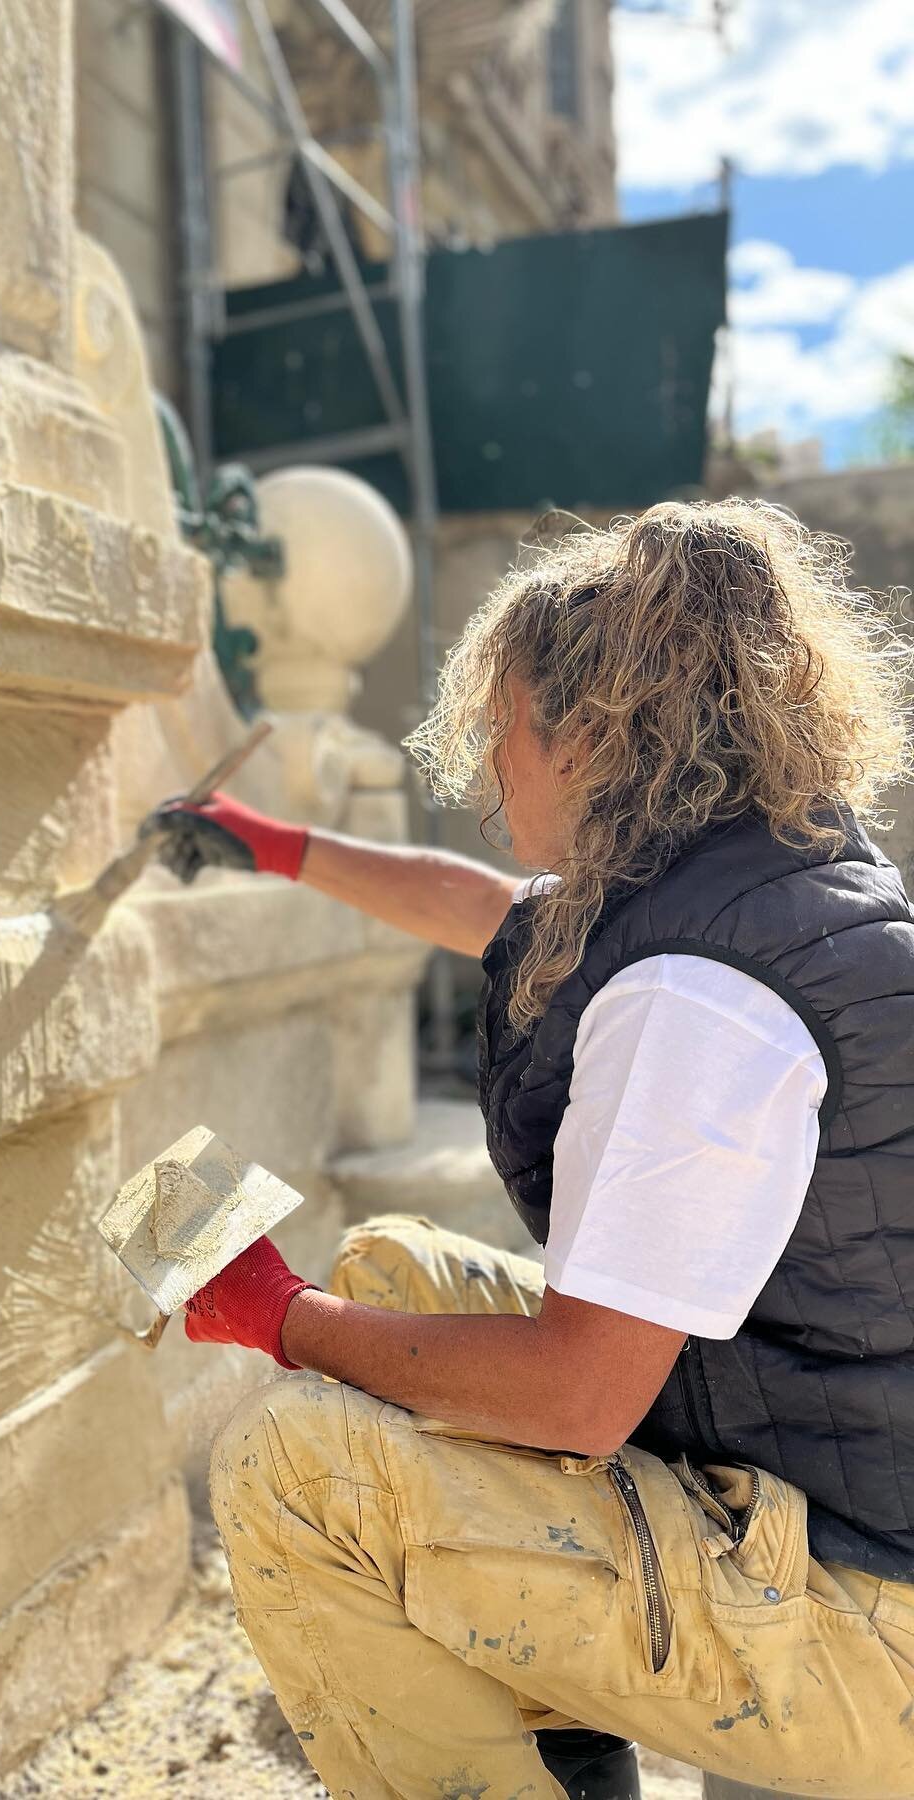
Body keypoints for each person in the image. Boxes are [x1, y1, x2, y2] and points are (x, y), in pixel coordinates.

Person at [142, 499, 914, 1800]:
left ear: (597, 733)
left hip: (871, 1624)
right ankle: (567, 1760)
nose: (485, 759)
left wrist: (276, 1313)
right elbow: (487, 908)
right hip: (848, 1490)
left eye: (502, 723)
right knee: (397, 1273)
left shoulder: (695, 998)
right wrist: (269, 845)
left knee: (294, 1468)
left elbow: (576, 1397)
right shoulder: (775, 882)